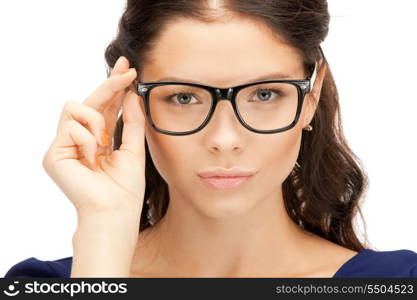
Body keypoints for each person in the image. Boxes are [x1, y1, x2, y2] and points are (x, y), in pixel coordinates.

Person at [4, 0, 417, 278]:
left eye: (264, 94)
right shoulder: (56, 280)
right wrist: (103, 238)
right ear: (132, 100)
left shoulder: (398, 282)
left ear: (310, 97)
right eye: (184, 97)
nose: (224, 139)